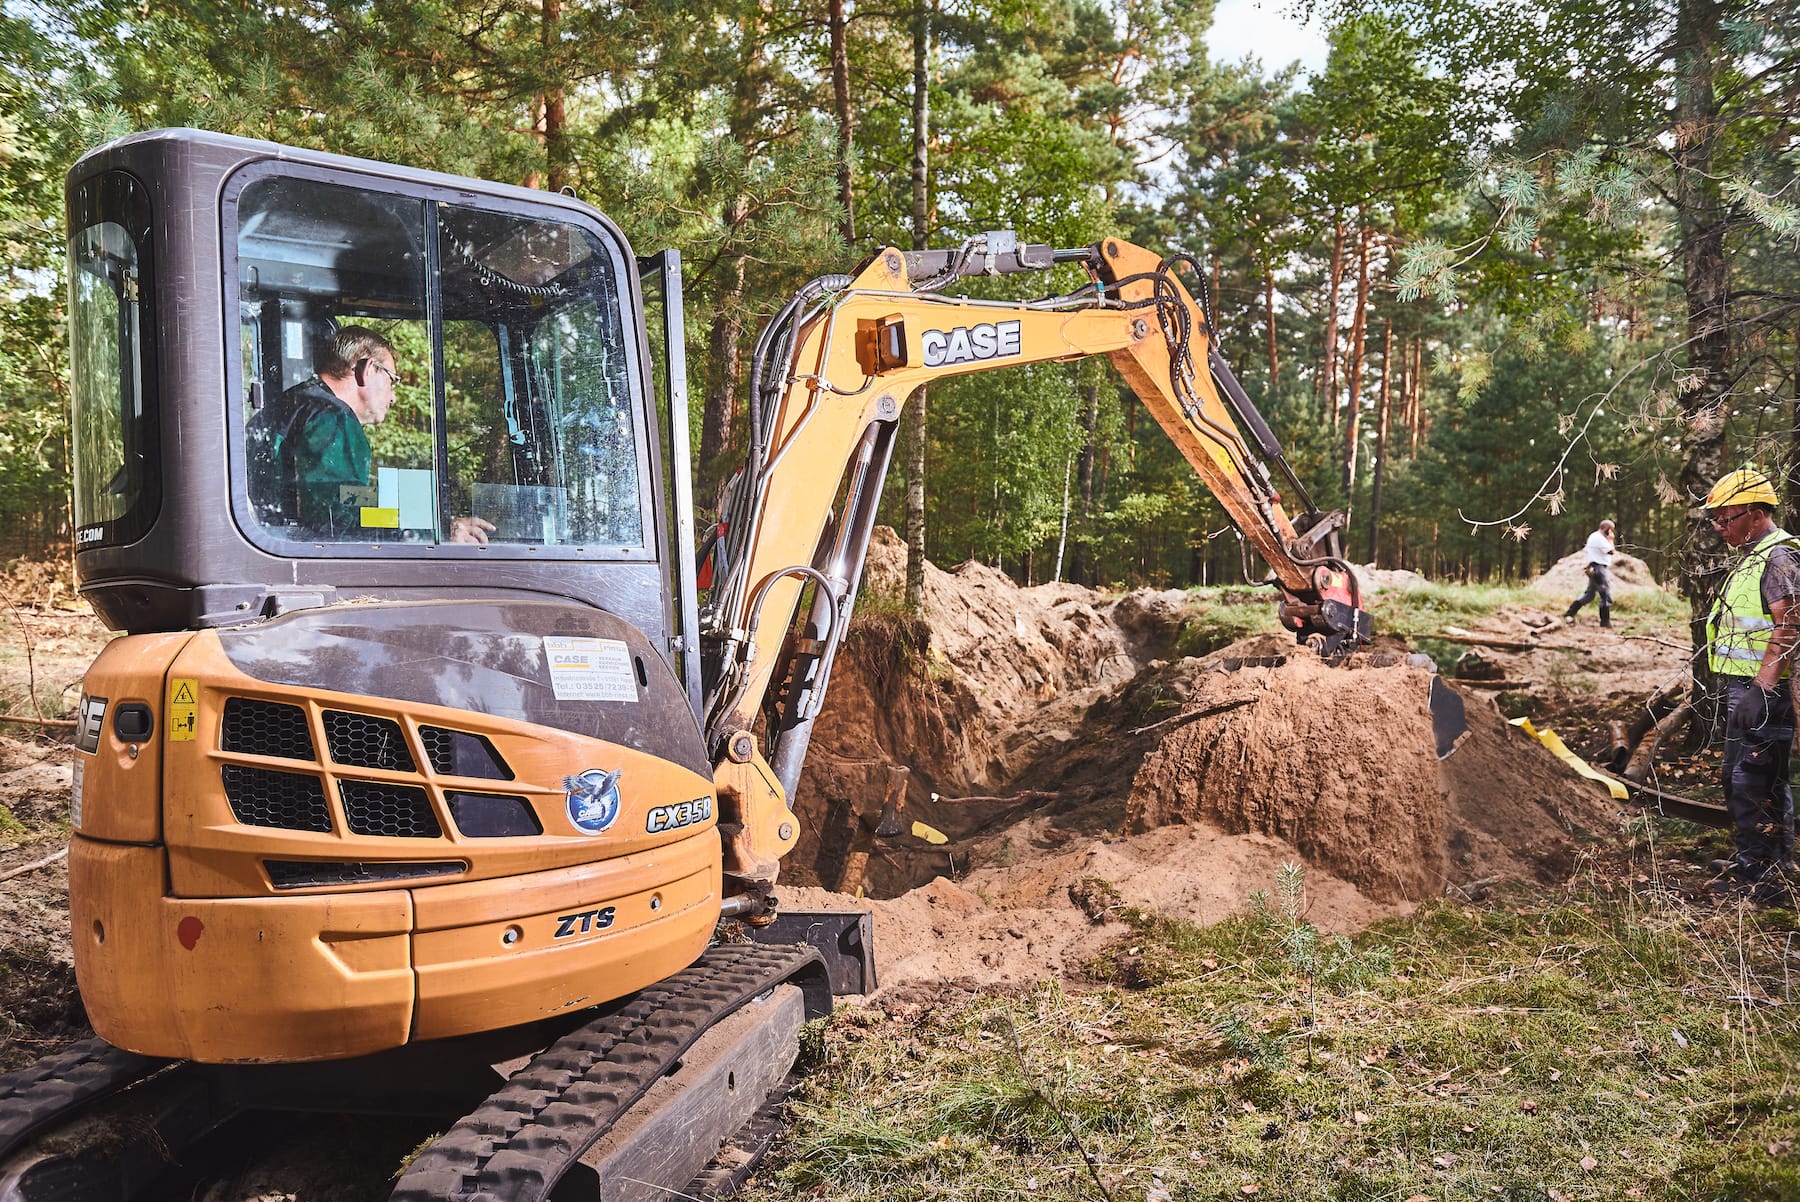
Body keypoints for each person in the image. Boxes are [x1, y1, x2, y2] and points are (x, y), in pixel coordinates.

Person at [249, 326, 493, 544]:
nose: (393, 397)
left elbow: (338, 497)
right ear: (368, 369)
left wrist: (404, 510)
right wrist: (434, 532)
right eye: (392, 380)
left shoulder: (296, 404)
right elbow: (341, 520)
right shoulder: (333, 418)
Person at [1703, 468, 1800, 898]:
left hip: (1764, 692)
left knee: (1751, 780)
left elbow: (1791, 625)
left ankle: (1760, 878)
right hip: (1747, 687)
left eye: (1727, 518)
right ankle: (1766, 861)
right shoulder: (1754, 556)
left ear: (1757, 515)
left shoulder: (1778, 558)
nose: (1719, 527)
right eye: (1716, 520)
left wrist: (1762, 688)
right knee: (1752, 777)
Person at [1564, 518, 1616, 626]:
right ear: (1606, 529)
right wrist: (1611, 539)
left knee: (1589, 594)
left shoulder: (1593, 536)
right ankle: (1605, 621)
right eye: (1611, 530)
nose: (1611, 533)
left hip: (1594, 566)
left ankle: (1570, 613)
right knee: (1605, 594)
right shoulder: (1600, 538)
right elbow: (1611, 551)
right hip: (1599, 568)